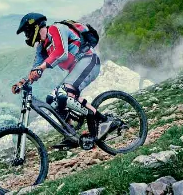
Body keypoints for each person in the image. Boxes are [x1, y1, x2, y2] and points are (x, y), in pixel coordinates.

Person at [11, 12, 119, 149]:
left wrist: (42, 67)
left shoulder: (56, 29)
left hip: (89, 61)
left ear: (35, 27)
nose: (27, 37)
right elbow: (35, 70)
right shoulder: (42, 47)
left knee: (63, 93)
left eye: (27, 33)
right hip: (76, 70)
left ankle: (104, 120)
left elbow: (61, 53)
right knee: (51, 99)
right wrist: (23, 82)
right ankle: (70, 135)